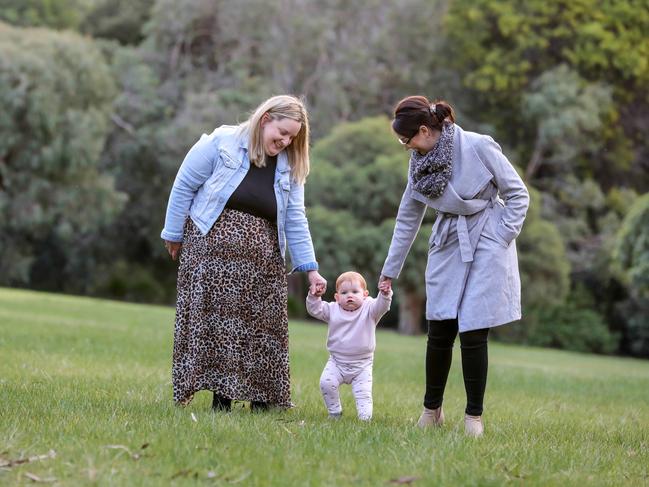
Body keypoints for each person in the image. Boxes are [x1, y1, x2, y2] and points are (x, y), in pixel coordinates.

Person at [161, 95, 327, 412]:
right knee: (220, 327)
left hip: (264, 257)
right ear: (265, 119)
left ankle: (262, 400)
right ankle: (220, 399)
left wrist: (310, 267)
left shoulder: (289, 165)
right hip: (210, 251)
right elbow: (184, 185)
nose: (285, 141)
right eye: (282, 132)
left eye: (292, 136)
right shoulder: (222, 141)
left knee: (266, 326)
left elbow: (295, 216)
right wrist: (173, 232)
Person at [378, 96, 529, 436]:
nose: (407, 148)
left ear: (423, 130)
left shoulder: (478, 146)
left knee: (474, 329)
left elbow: (518, 192)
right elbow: (407, 218)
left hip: (488, 239)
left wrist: (502, 234)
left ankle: (473, 417)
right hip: (448, 240)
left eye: (407, 141)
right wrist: (390, 269)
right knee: (440, 326)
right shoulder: (419, 164)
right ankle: (432, 411)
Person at [306, 271, 392, 421]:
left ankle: (365, 420)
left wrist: (385, 294)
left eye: (355, 291)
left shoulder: (370, 309)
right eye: (344, 292)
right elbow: (315, 309)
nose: (349, 295)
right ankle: (335, 412)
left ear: (365, 294)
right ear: (337, 297)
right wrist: (314, 296)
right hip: (337, 362)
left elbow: (382, 306)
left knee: (363, 393)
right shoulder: (333, 310)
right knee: (326, 383)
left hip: (362, 365)